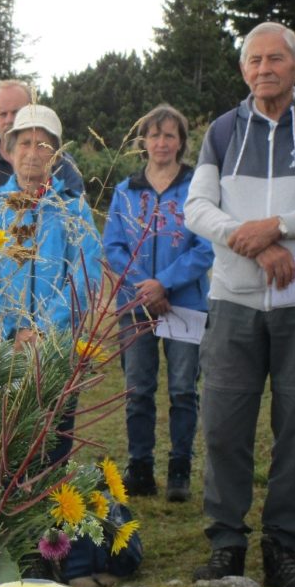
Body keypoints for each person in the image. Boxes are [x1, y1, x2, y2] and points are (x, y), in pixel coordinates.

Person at [185, 22, 295, 587]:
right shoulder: (220, 130)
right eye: (255, 60)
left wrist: (280, 225)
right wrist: (252, 239)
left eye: (276, 59)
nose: (265, 69)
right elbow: (197, 209)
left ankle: (283, 547)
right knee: (225, 427)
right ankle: (226, 546)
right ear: (243, 70)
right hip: (234, 300)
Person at [0, 104, 102, 455]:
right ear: (9, 151)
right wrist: (9, 332)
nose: (33, 153)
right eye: (24, 143)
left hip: (53, 354)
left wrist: (44, 334)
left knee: (51, 449)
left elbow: (85, 277)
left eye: (43, 145)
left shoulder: (74, 208)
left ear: (57, 155)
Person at [103, 106, 213, 501]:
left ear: (182, 141)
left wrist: (165, 283)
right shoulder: (125, 190)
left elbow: (206, 247)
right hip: (135, 305)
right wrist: (144, 288)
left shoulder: (197, 187)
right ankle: (140, 469)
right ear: (143, 142)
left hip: (185, 304)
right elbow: (113, 245)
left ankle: (180, 468)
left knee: (184, 388)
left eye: (169, 135)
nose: (161, 143)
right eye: (154, 135)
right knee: (137, 390)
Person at [0, 79, 84, 196]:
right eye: (2, 114)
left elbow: (78, 212)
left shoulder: (64, 163)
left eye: (17, 112)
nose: (9, 120)